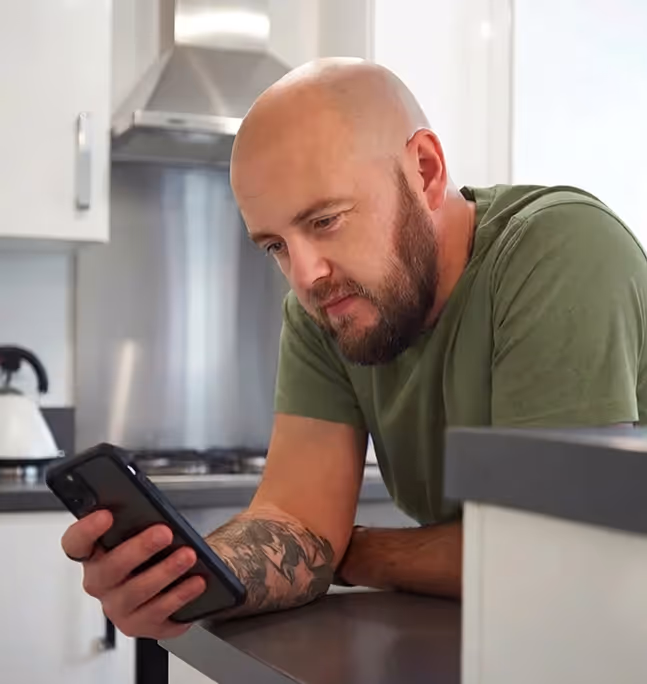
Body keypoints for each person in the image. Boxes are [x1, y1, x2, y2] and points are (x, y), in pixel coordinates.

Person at [61, 58, 647, 640]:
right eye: (275, 247)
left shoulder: (560, 251)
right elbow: (296, 521)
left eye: (325, 220)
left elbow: (550, 553)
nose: (305, 275)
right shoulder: (328, 308)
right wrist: (192, 575)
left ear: (425, 170)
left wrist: (351, 551)